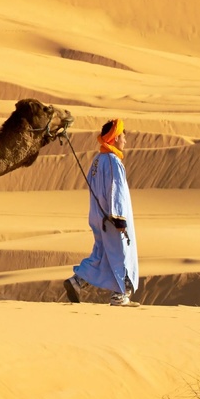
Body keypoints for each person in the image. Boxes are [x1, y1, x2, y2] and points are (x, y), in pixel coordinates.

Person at [67, 119, 139, 306]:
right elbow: (117, 191)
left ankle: (77, 281)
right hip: (113, 218)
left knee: (102, 254)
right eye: (123, 136)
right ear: (115, 138)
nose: (125, 141)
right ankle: (120, 295)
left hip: (99, 217)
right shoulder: (113, 162)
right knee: (121, 253)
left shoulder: (98, 161)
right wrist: (119, 218)